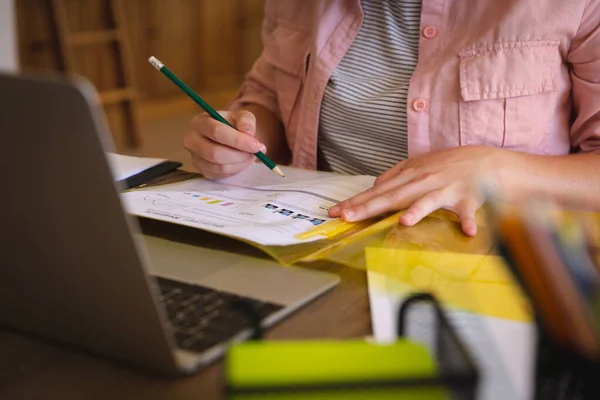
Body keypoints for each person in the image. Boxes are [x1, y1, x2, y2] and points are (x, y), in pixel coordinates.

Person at [183, 0, 600, 236]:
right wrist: (242, 136)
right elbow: (267, 96)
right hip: (315, 234)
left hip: (487, 251)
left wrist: (497, 169)